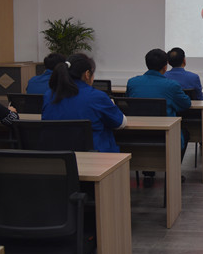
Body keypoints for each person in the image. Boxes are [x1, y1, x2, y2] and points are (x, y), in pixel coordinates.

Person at [127, 49, 191, 186]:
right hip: (163, 135)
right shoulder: (171, 85)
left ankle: (148, 173)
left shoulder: (132, 82)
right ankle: (173, 171)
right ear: (165, 66)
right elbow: (186, 104)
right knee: (185, 133)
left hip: (135, 134)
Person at [42, 53, 126, 153]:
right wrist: (111, 105)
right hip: (95, 156)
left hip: (59, 156)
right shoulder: (96, 97)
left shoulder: (49, 95)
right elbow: (120, 123)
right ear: (87, 74)